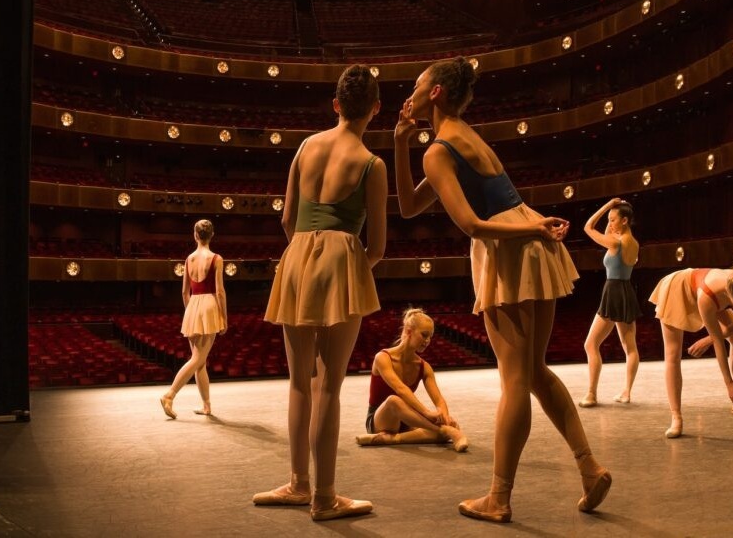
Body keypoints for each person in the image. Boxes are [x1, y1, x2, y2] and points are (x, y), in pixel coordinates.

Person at [394, 56, 610, 524]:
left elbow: (473, 224)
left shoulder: (439, 150)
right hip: (526, 237)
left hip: (510, 247)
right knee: (535, 372)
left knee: (515, 380)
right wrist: (399, 144)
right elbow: (411, 206)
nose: (408, 93)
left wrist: (531, 232)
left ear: (435, 93)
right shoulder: (463, 137)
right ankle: (590, 468)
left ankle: (499, 497)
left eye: (416, 85)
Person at [252, 65, 387, 522]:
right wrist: (347, 270)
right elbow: (379, 246)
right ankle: (325, 498)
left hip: (296, 259)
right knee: (329, 384)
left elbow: (288, 219)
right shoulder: (371, 163)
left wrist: (306, 257)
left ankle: (298, 484)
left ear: (335, 104)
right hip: (340, 258)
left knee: (298, 382)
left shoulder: (307, 146)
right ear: (375, 109)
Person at [649, 263, 733, 439]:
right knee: (673, 354)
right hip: (679, 288)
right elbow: (719, 341)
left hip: (713, 295)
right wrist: (728, 383)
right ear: (728, 294)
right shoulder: (708, 296)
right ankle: (676, 417)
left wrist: (707, 340)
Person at [354, 308, 470, 451]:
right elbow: (400, 389)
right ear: (409, 331)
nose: (427, 341)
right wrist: (428, 414)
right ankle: (445, 431)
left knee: (451, 426)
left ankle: (393, 439)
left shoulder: (424, 367)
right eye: (424, 335)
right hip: (380, 419)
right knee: (394, 400)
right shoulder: (383, 358)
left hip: (406, 420)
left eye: (430, 337)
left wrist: (445, 417)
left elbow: (439, 400)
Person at [160, 219, 227, 418]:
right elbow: (220, 291)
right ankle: (169, 395)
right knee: (198, 358)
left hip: (193, 306)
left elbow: (184, 292)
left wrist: (191, 312)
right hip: (208, 307)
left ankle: (206, 405)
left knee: (201, 362)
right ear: (212, 235)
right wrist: (223, 315)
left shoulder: (188, 259)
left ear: (195, 235)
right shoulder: (216, 258)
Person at [579, 198, 641, 407]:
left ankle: (591, 394)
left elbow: (588, 227)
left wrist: (606, 205)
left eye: (613, 220)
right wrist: (612, 212)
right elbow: (608, 234)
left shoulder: (615, 243)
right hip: (627, 290)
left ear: (624, 220)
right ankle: (627, 392)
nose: (610, 223)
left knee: (590, 344)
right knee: (629, 347)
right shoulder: (633, 243)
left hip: (613, 291)